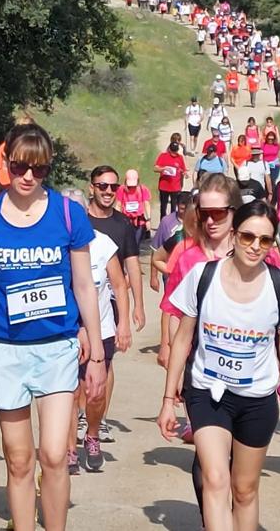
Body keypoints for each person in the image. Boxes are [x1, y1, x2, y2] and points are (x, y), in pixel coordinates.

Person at [0, 123, 105, 531]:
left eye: (39, 170)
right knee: (19, 459)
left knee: (55, 454)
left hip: (57, 347)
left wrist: (96, 351)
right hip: (4, 352)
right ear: (6, 164)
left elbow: (84, 285)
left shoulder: (67, 213)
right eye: (21, 167)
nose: (28, 177)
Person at [158, 200, 280, 531]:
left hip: (257, 399)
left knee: (244, 490)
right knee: (214, 479)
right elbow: (182, 340)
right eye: (248, 237)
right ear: (234, 234)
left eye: (265, 240)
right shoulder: (202, 277)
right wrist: (168, 400)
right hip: (208, 393)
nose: (255, 246)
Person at [60, 189, 132, 474]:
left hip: (100, 330)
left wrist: (124, 322)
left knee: (94, 394)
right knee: (67, 392)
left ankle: (91, 435)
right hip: (65, 331)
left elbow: (119, 285)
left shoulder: (102, 244)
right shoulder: (54, 245)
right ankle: (68, 450)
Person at [87, 166, 147, 443]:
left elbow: (132, 265)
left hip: (109, 299)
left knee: (105, 363)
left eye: (113, 187)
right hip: (79, 300)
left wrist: (138, 305)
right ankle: (78, 417)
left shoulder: (123, 225)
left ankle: (100, 418)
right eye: (102, 186)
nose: (108, 191)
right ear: (92, 188)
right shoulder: (79, 220)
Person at [150, 191, 191, 292]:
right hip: (170, 273)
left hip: (190, 273)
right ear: (177, 205)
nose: (184, 210)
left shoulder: (196, 222)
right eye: (182, 207)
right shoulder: (166, 222)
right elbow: (155, 249)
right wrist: (153, 277)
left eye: (187, 207)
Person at [116, 169, 152, 246]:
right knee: (127, 243)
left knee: (135, 244)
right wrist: (117, 220)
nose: (132, 187)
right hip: (126, 220)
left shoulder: (143, 190)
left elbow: (147, 204)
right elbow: (118, 205)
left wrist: (148, 220)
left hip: (139, 221)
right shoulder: (121, 190)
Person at [154, 141, 189, 220]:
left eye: (175, 151)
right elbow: (155, 168)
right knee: (163, 207)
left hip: (175, 187)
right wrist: (163, 169)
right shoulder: (163, 156)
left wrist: (185, 174)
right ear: (169, 149)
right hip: (164, 186)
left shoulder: (180, 157)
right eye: (173, 151)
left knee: (174, 208)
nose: (174, 153)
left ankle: (172, 223)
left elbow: (184, 170)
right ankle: (163, 224)